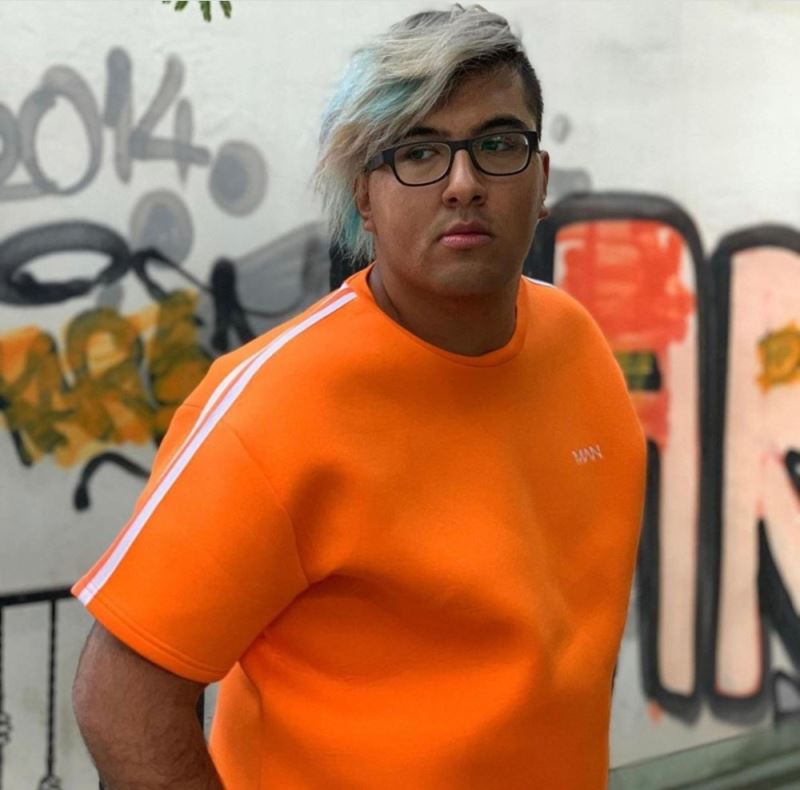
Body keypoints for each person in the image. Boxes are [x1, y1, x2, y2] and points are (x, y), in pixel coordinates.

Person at [72, 5, 646, 788]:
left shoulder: (578, 346)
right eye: (417, 152)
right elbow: (119, 700)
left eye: (498, 144)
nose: (464, 184)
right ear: (363, 200)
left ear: (540, 179)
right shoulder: (272, 408)